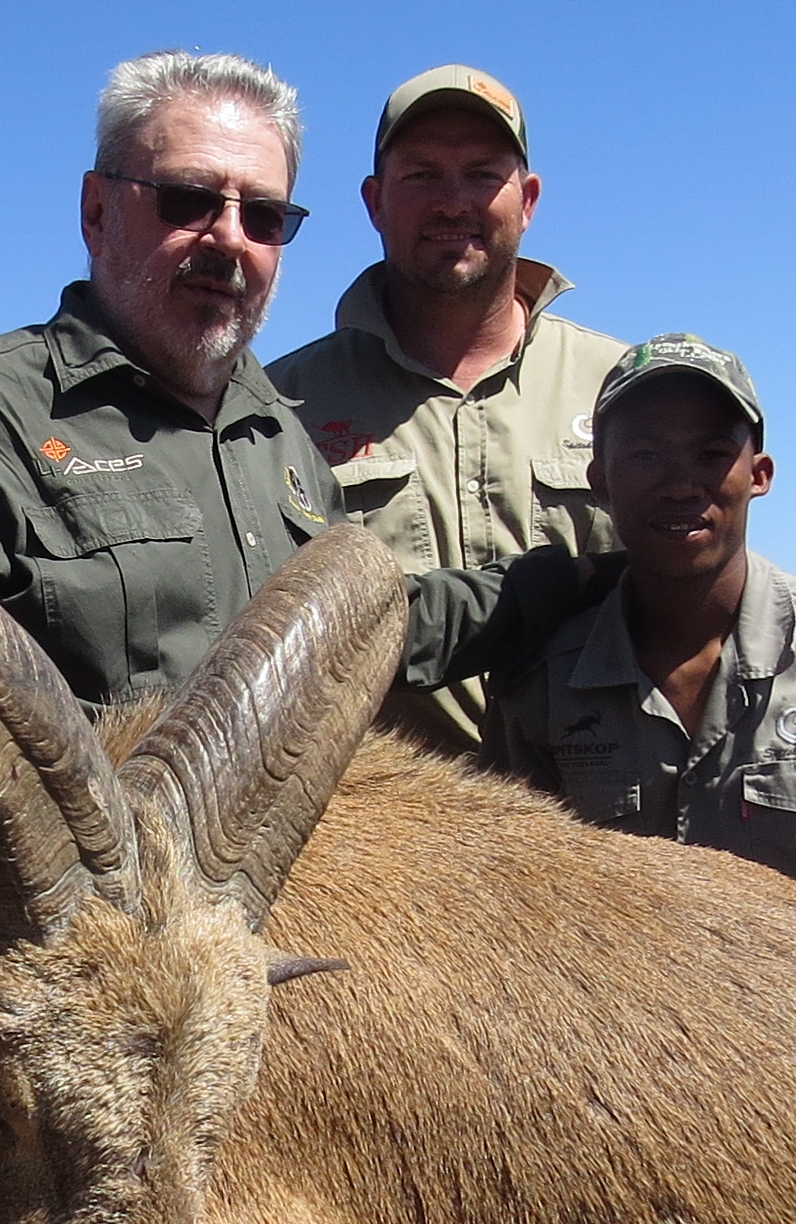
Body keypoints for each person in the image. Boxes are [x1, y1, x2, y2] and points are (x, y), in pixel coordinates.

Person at [0, 51, 607, 825]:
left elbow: (369, 631)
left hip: (307, 889)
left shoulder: (279, 431)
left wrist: (574, 579)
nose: (229, 238)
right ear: (97, 211)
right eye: (188, 201)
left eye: (264, 216)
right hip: (105, 903)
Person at [493, 333, 796, 930]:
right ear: (598, 478)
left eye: (711, 454)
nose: (681, 485)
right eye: (646, 455)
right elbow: (521, 905)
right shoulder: (544, 683)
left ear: (759, 474)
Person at [267, 65, 627, 754]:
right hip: (393, 814)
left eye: (482, 174)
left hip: (600, 804)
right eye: (422, 175)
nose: (453, 202)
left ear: (528, 199)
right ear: (375, 201)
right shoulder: (277, 409)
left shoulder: (621, 388)